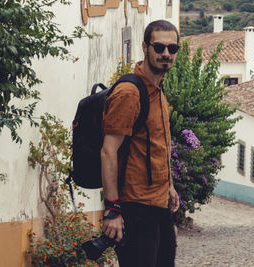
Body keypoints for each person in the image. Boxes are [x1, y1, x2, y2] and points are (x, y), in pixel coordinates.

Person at [100, 20, 180, 267]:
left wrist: (169, 186)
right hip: (135, 207)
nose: (165, 54)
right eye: (159, 47)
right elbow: (108, 151)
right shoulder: (129, 93)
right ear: (145, 47)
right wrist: (112, 210)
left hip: (159, 205)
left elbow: (157, 146)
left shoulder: (158, 90)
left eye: (172, 49)